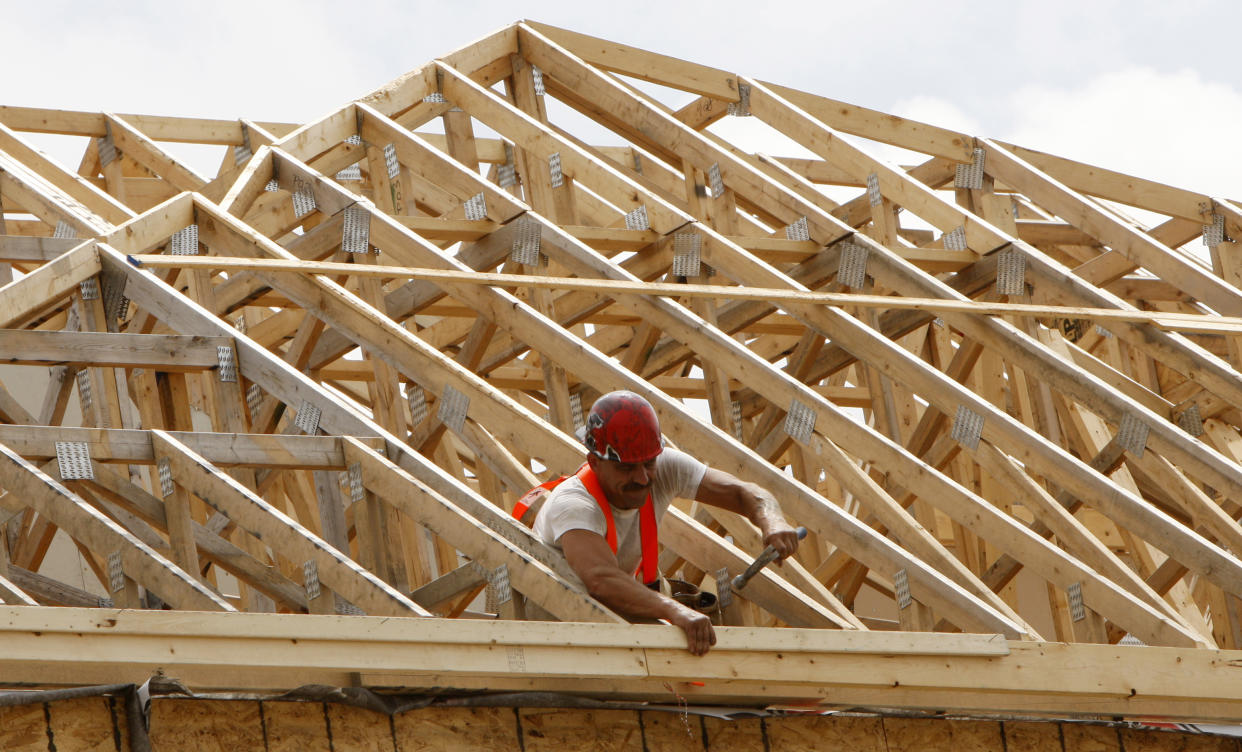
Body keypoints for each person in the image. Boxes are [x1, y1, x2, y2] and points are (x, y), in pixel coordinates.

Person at [529, 390, 801, 655]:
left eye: (648, 464)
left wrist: (773, 521)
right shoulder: (575, 503)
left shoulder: (663, 466)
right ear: (594, 462)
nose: (642, 478)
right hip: (558, 627)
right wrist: (675, 610)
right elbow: (601, 579)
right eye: (626, 468)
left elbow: (743, 492)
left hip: (616, 609)